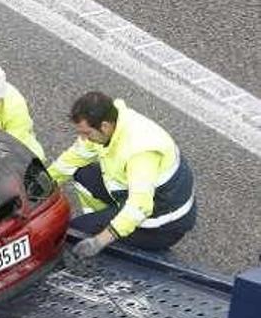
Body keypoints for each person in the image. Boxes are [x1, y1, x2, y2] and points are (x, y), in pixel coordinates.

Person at [48, 92, 196, 258]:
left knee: (73, 233)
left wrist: (98, 241)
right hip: (137, 197)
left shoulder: (140, 151)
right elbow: (71, 160)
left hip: (162, 223)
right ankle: (109, 220)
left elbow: (139, 207)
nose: (83, 138)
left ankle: (116, 232)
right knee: (79, 171)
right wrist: (38, 187)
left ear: (104, 126)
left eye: (87, 133)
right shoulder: (112, 125)